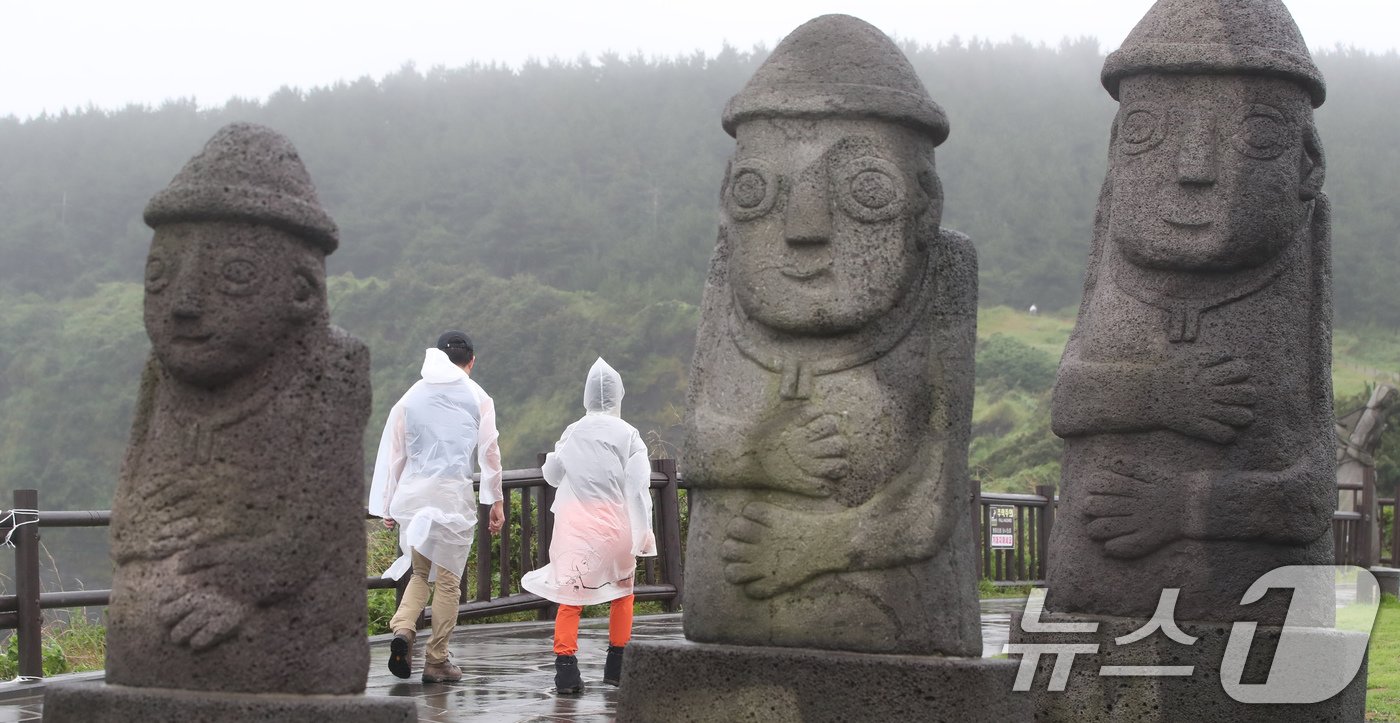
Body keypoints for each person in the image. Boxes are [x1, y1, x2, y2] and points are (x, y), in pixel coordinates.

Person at [368, 330, 504, 683]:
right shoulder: (478, 396)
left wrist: (387, 504)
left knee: (418, 573)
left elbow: (395, 453)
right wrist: (495, 500)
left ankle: (402, 632)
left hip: (413, 495)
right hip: (451, 496)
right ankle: (436, 660)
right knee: (447, 581)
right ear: (470, 361)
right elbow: (490, 451)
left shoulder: (411, 397)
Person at [522, 358, 657, 693]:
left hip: (575, 525)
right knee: (623, 593)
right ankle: (617, 666)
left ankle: (565, 670)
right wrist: (644, 533)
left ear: (586, 396)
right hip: (616, 524)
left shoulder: (573, 431)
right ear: (618, 395)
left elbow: (552, 475)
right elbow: (638, 488)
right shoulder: (629, 435)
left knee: (571, 596)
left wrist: (558, 457)